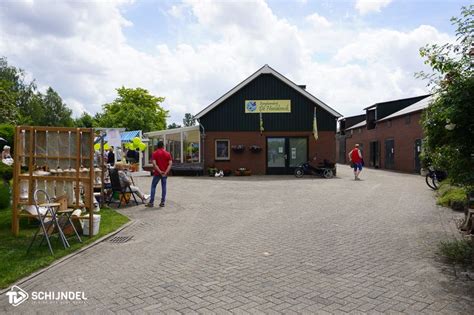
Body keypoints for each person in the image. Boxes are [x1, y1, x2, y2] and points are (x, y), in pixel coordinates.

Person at [146, 141, 172, 208]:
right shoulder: (168, 154)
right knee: (164, 187)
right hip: (164, 174)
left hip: (157, 173)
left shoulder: (154, 153)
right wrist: (165, 172)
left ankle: (151, 202)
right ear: (163, 146)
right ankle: (162, 202)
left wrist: (160, 171)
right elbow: (170, 164)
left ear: (157, 146)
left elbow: (154, 164)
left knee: (153, 186)